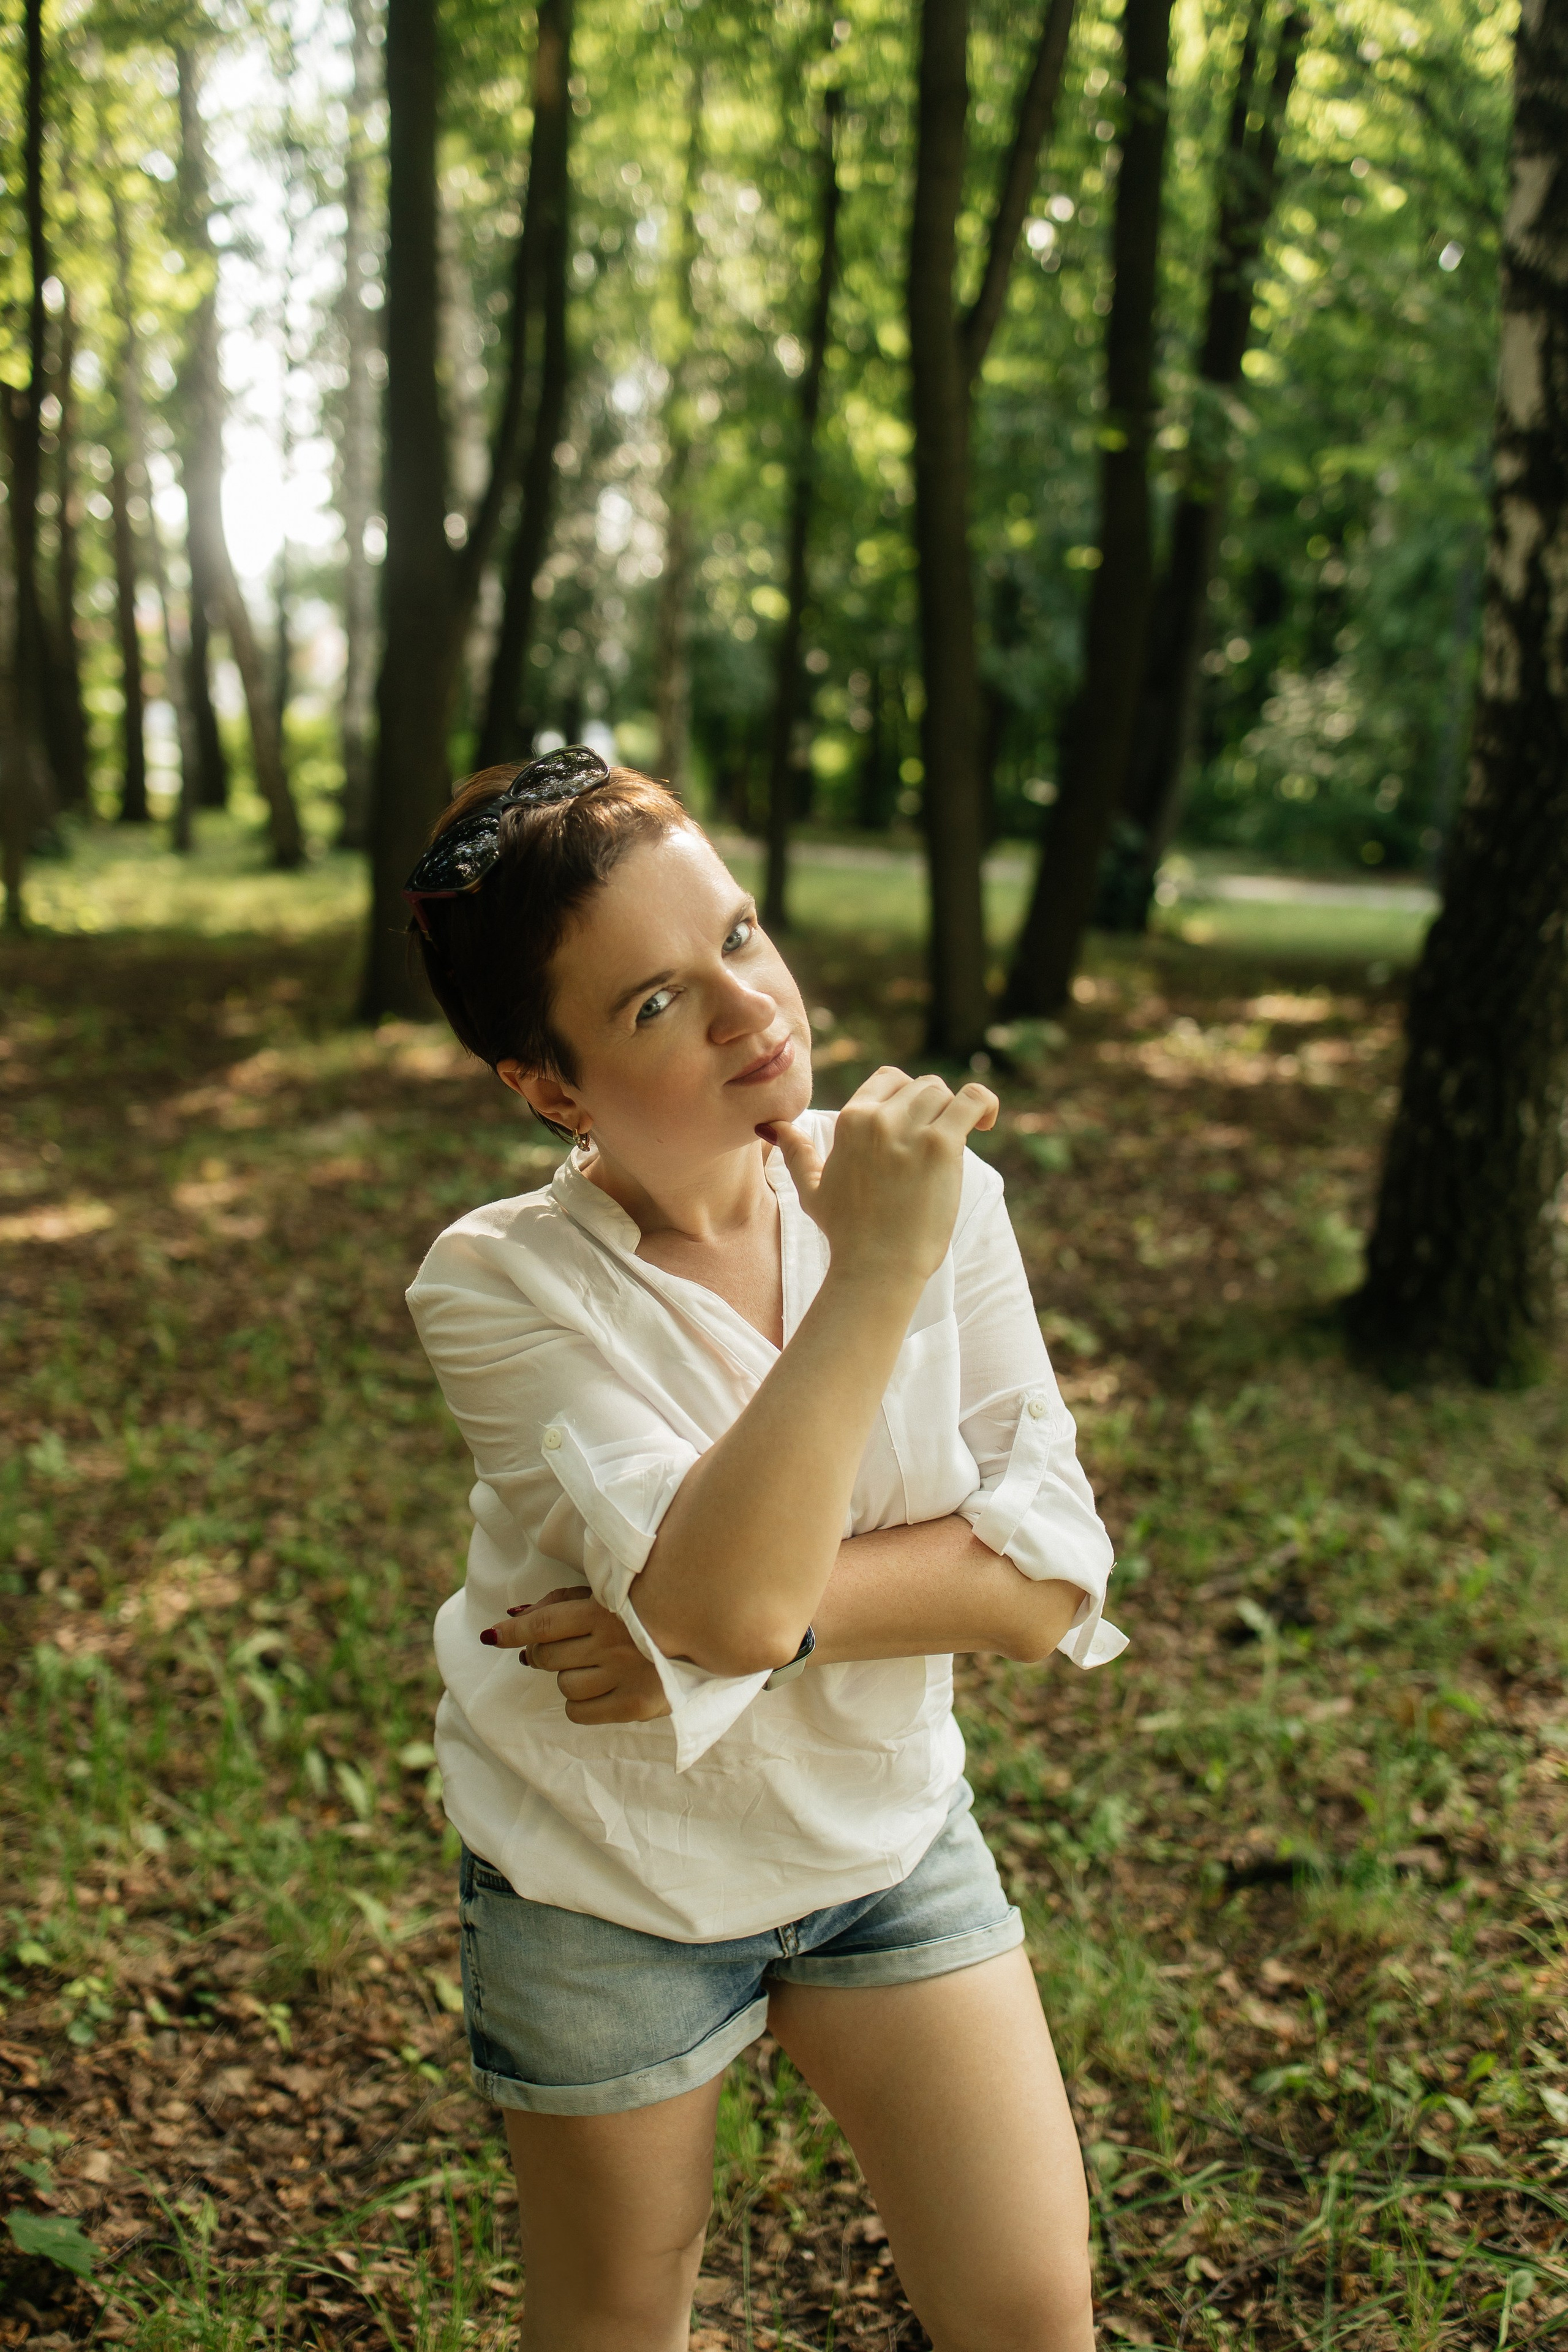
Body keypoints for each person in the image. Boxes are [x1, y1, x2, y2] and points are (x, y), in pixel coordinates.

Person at [402, 747, 1126, 2352]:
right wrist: (869, 1280)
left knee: (1031, 2314)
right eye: (657, 1003)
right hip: (604, 1880)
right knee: (619, 2322)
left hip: (882, 1845)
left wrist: (713, 1634)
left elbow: (1048, 1580)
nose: (754, 1012)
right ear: (548, 1086)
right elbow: (730, 1592)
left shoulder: (945, 1197)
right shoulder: (502, 1286)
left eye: (738, 934)